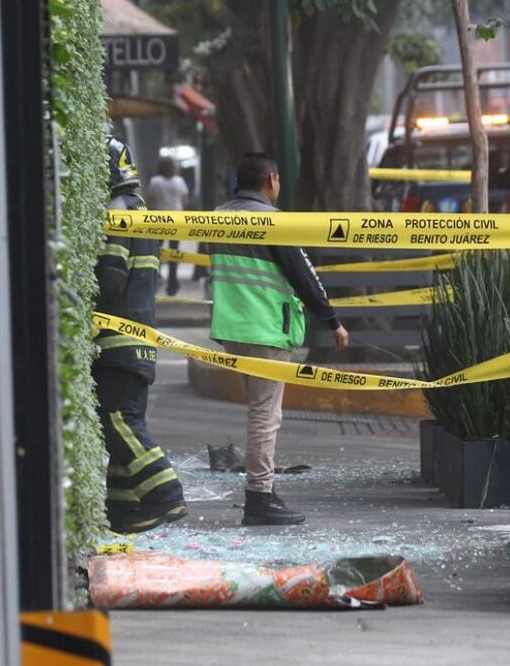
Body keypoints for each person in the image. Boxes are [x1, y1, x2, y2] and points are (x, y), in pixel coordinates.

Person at [208, 153, 349, 526]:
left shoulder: (217, 217)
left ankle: (264, 491)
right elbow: (303, 274)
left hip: (232, 330)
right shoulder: (272, 220)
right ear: (271, 180)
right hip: (266, 328)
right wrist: (332, 321)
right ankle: (260, 497)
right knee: (265, 415)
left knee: (259, 411)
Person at [94, 136, 186, 534]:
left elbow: (111, 278)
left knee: (118, 420)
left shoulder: (117, 210)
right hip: (140, 338)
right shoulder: (141, 210)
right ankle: (127, 510)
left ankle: (165, 493)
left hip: (116, 337)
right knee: (125, 420)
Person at [147, 156, 191, 296]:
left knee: (156, 252)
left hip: (159, 220)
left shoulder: (155, 181)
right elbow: (185, 200)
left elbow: (150, 200)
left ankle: (156, 278)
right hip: (176, 220)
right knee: (174, 253)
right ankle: (173, 284)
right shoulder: (180, 181)